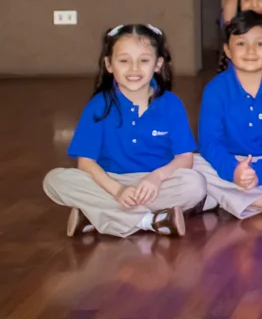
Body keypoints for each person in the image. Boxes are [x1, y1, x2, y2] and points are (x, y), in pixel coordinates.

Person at [43, 24, 205, 237]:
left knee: (195, 184)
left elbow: (185, 158)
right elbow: (86, 163)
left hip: (154, 184)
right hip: (109, 182)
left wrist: (156, 178)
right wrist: (117, 190)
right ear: (109, 64)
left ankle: (96, 215)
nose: (134, 69)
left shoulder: (171, 104)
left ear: (158, 64)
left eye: (144, 60)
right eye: (124, 61)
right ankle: (149, 220)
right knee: (54, 180)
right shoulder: (99, 105)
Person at [195, 11, 262, 219]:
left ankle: (223, 198)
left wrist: (260, 171)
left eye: (260, 44)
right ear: (227, 50)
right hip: (229, 160)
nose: (250, 51)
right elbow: (209, 142)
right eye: (241, 44)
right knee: (193, 166)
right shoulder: (215, 89)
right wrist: (233, 170)